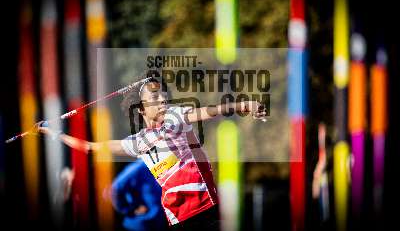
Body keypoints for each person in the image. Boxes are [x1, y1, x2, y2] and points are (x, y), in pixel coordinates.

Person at [32, 76, 267, 230]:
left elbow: (208, 111)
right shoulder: (136, 142)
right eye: (155, 97)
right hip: (178, 218)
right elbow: (89, 147)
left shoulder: (175, 117)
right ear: (142, 109)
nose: (163, 99)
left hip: (205, 207)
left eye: (164, 94)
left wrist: (244, 106)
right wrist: (52, 134)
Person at [111, 159, 167, 231]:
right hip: (139, 225)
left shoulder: (164, 165)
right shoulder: (138, 168)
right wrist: (130, 209)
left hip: (159, 224)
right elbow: (115, 189)